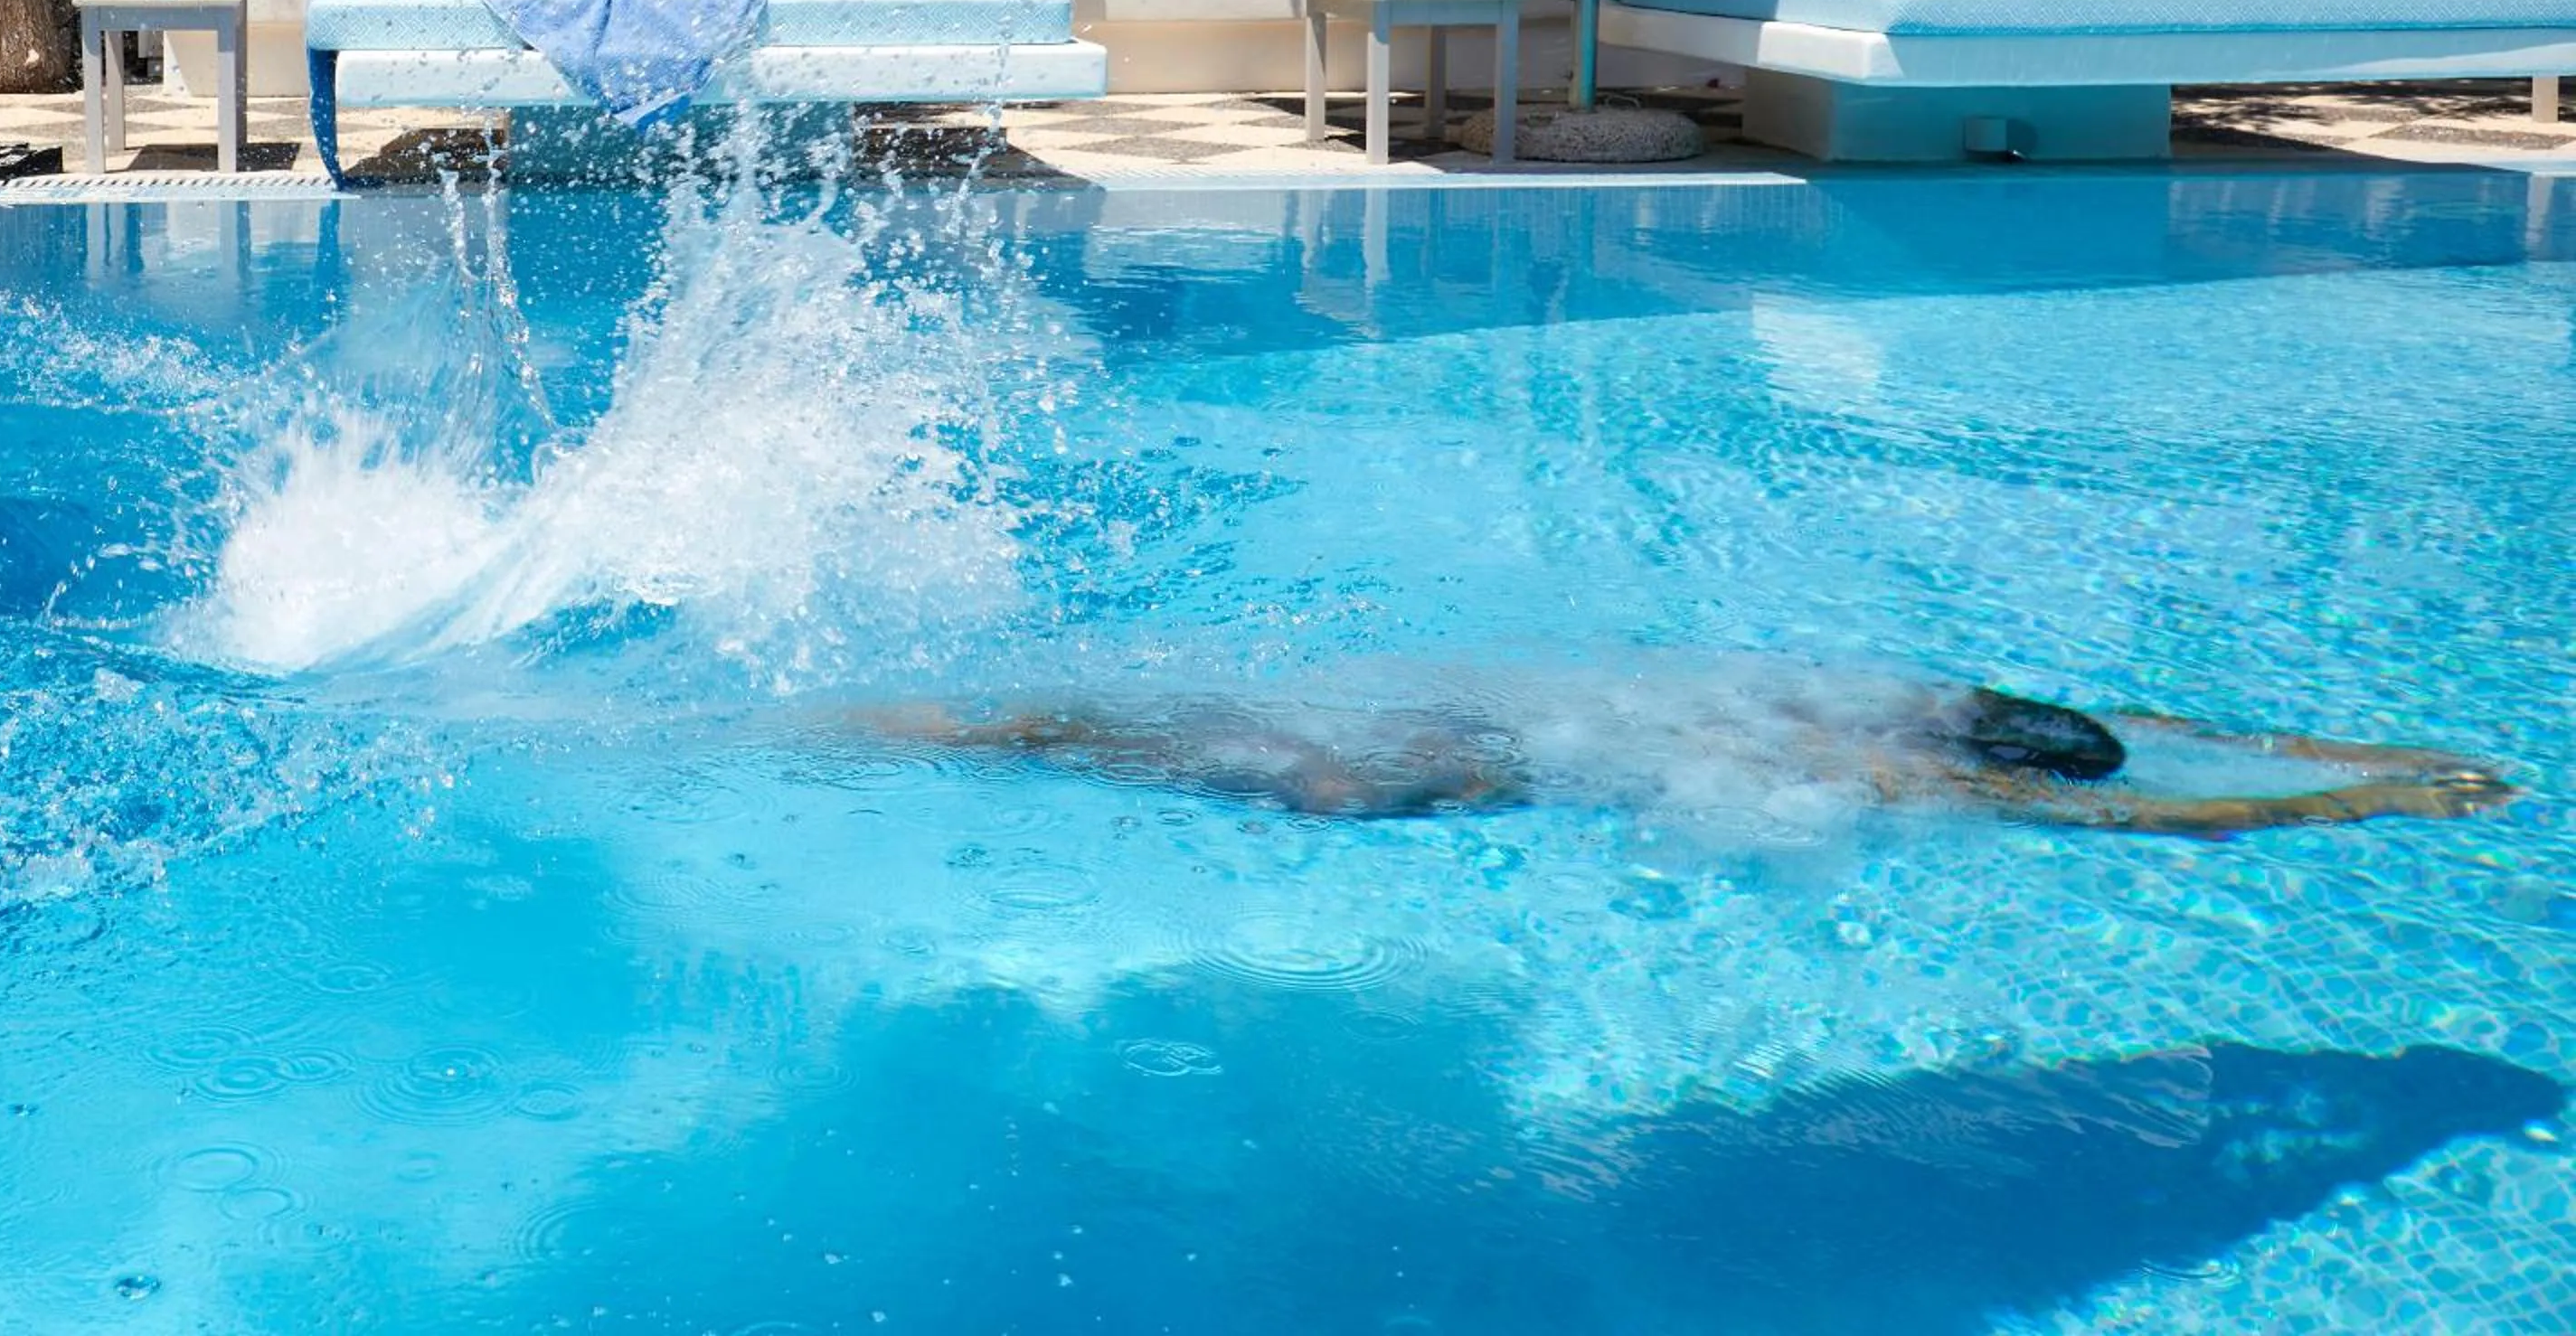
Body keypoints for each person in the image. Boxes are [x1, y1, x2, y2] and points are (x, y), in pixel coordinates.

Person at [857, 684, 2515, 837]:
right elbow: (2191, 811)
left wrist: (2350, 757)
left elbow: (2188, 758)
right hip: (1479, 768)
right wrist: (2353, 785)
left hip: (1481, 745)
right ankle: (983, 741)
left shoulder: (1889, 708)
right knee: (1325, 783)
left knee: (1296, 764)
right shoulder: (1906, 765)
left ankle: (986, 732)